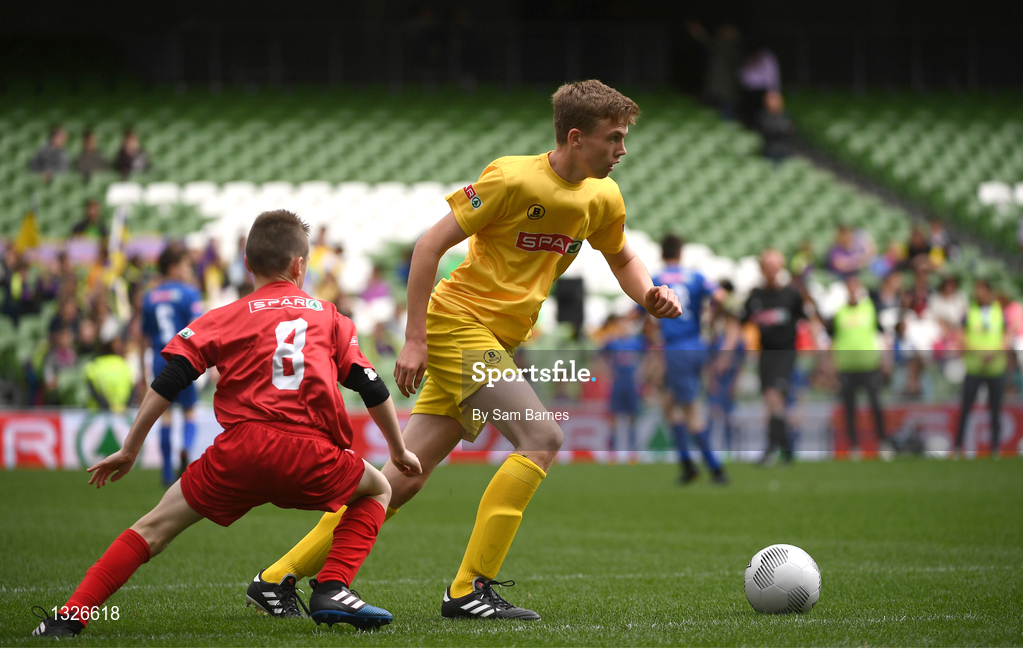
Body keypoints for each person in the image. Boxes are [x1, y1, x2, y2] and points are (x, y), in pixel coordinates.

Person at [246, 79, 681, 621]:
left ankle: (276, 578)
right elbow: (429, 246)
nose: (622, 150)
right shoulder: (511, 178)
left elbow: (621, 258)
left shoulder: (603, 196)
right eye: (613, 139)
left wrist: (649, 293)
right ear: (575, 137)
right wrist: (414, 338)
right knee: (542, 436)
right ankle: (470, 589)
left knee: (400, 478)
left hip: (495, 338)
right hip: (458, 324)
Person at [32, 210, 421, 637]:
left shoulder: (226, 315)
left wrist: (131, 446)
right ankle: (332, 587)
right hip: (312, 455)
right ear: (299, 266)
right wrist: (399, 450)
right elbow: (370, 385)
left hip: (241, 452)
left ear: (247, 263)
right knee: (379, 488)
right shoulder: (329, 316)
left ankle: (67, 619)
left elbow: (171, 377)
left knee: (153, 528)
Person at [655, 234, 728, 484]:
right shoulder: (696, 277)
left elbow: (640, 311)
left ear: (662, 253)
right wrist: (711, 319)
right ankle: (687, 463)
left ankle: (714, 468)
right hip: (697, 345)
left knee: (690, 410)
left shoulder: (657, 279)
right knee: (668, 404)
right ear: (680, 252)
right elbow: (720, 296)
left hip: (677, 349)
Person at [726, 249, 810, 465]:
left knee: (774, 396)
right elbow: (739, 322)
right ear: (763, 269)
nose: (772, 271)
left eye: (775, 266)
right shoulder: (756, 296)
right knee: (772, 403)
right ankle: (787, 449)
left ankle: (772, 448)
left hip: (786, 353)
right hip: (766, 354)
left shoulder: (791, 295)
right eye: (768, 266)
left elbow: (809, 320)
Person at [140, 245, 205, 486]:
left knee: (164, 414)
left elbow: (143, 336)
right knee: (189, 412)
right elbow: (199, 326)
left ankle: (166, 472)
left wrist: (141, 369)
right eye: (187, 265)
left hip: (159, 357)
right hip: (184, 357)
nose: (189, 270)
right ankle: (186, 449)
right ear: (173, 267)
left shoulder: (149, 296)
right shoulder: (189, 293)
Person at [828, 274, 892, 459]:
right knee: (849, 409)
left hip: (869, 366)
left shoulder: (870, 309)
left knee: (875, 406)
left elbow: (883, 334)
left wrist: (886, 359)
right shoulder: (839, 313)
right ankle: (854, 446)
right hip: (846, 368)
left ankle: (883, 442)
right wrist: (832, 364)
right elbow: (832, 340)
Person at [954, 278, 1010, 458]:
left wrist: (995, 353)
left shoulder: (998, 311)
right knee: (966, 408)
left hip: (995, 368)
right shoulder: (969, 311)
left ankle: (995, 448)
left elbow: (1005, 335)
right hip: (974, 367)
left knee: (995, 410)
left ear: (989, 291)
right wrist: (978, 354)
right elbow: (961, 336)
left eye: (982, 289)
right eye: (976, 290)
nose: (978, 293)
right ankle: (957, 448)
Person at [601, 311, 646, 462]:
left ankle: (633, 452)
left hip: (632, 384)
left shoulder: (637, 342)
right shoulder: (612, 342)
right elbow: (600, 357)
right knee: (613, 417)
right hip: (618, 384)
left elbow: (647, 358)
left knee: (632, 417)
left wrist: (641, 374)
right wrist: (608, 372)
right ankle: (612, 452)